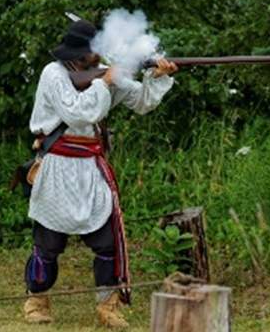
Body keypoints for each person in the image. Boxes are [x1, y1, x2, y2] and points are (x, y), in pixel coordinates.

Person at [23, 19, 177, 327]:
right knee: (49, 243)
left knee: (107, 243)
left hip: (92, 168)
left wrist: (155, 77)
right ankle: (35, 302)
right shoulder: (53, 74)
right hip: (58, 165)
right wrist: (106, 82)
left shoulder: (101, 73)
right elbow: (78, 112)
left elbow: (142, 101)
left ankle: (108, 308)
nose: (98, 58)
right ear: (81, 52)